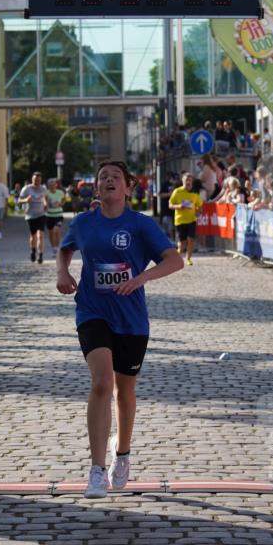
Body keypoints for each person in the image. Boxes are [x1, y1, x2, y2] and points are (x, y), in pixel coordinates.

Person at [56, 160, 183, 499]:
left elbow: (175, 260)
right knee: (102, 382)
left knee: (124, 393)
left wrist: (142, 277)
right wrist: (62, 273)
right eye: (102, 177)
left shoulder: (141, 225)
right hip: (92, 311)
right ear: (96, 188)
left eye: (116, 177)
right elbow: (64, 248)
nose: (109, 180)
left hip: (131, 318)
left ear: (128, 188)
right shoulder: (83, 223)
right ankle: (96, 470)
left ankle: (122, 454)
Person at [168, 172, 203, 266]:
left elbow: (199, 206)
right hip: (180, 220)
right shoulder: (177, 191)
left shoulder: (195, 193)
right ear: (182, 181)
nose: (188, 182)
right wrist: (178, 206)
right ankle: (176, 256)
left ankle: (188, 259)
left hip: (192, 219)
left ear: (192, 181)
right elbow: (170, 205)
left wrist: (198, 211)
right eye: (186, 180)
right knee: (182, 243)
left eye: (189, 180)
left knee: (191, 240)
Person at [18, 172, 47, 263]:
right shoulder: (26, 189)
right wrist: (26, 200)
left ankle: (41, 255)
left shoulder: (43, 189)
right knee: (33, 235)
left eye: (39, 180)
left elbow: (45, 198)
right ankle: (33, 251)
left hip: (41, 214)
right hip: (30, 215)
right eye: (35, 180)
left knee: (40, 235)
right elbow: (19, 200)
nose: (37, 182)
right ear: (32, 179)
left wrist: (46, 204)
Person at [44, 177, 65, 257]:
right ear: (48, 186)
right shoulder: (46, 193)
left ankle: (57, 248)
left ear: (56, 185)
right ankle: (54, 248)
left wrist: (61, 204)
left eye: (54, 184)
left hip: (58, 215)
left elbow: (63, 200)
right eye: (50, 185)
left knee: (56, 230)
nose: (52, 186)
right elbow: (44, 201)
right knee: (51, 233)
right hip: (49, 215)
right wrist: (46, 204)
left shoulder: (60, 192)